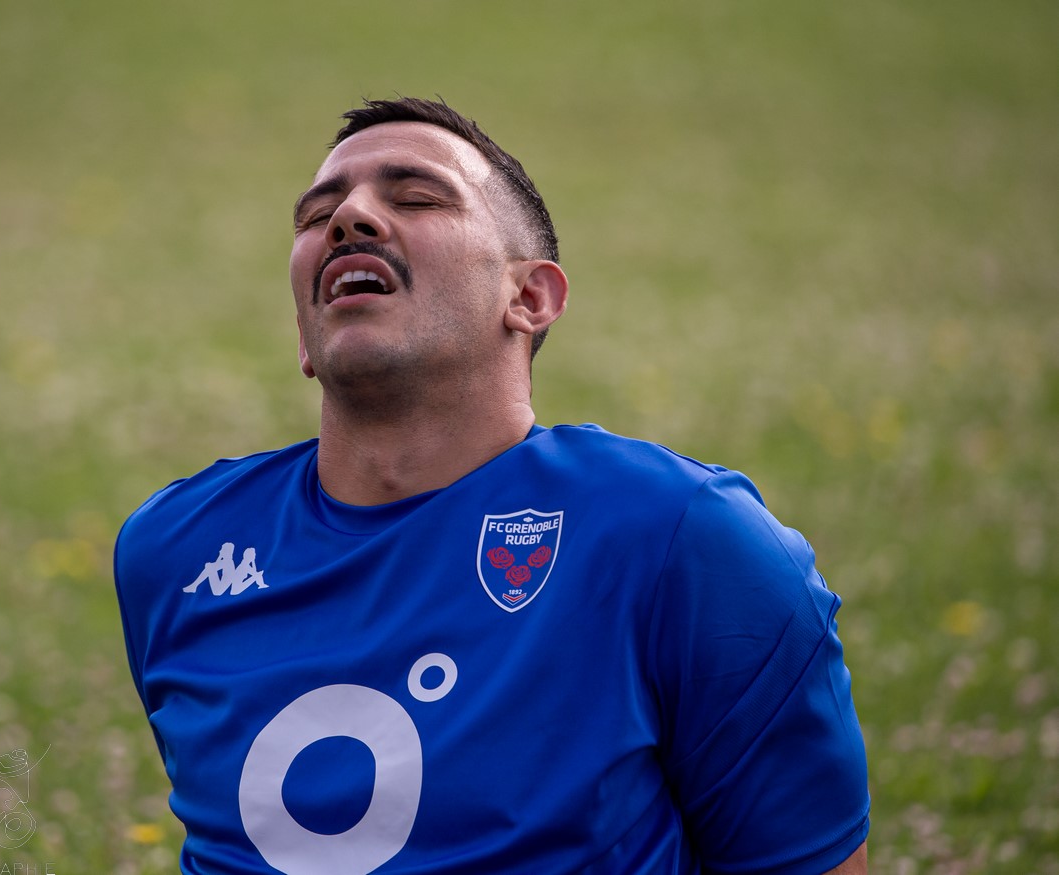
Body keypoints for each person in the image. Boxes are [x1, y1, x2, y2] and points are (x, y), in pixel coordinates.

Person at [114, 97, 870, 874]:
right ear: (305, 334)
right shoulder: (175, 550)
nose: (348, 218)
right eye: (316, 215)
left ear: (530, 298)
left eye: (417, 198)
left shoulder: (681, 536)